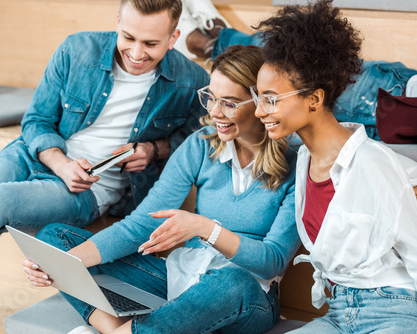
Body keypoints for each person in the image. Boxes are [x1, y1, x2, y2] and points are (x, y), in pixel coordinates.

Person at [0, 0, 210, 332]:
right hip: (35, 155)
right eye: (128, 37)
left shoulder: (192, 81)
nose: (137, 52)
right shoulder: (77, 50)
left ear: (174, 38)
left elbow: (196, 143)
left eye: (151, 44)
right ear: (117, 22)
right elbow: (37, 121)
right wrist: (61, 162)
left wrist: (153, 149)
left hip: (87, 189)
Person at [23, 45, 301, 334]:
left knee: (233, 280)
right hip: (179, 279)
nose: (215, 112)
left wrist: (207, 229)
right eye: (211, 98)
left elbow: (272, 261)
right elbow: (142, 224)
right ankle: (112, 329)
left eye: (229, 103)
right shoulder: (201, 145)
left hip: (247, 297)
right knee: (54, 239)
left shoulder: (296, 161)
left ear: (259, 103)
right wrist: (65, 263)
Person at [249, 1, 417, 332]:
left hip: (394, 309)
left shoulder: (373, 163)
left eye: (270, 99)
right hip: (338, 311)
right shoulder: (304, 160)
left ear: (314, 99)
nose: (259, 111)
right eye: (258, 98)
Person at [175, 0, 417, 140]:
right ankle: (212, 39)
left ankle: (212, 39)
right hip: (397, 95)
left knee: (289, 96)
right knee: (292, 60)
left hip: (392, 135)